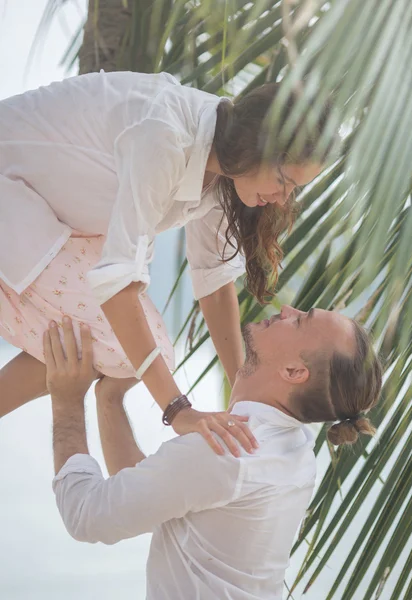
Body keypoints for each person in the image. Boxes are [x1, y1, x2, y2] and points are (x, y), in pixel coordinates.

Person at [0, 71, 328, 454]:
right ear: (257, 146)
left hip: (44, 215)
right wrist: (179, 410)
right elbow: (116, 285)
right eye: (284, 181)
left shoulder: (221, 163)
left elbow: (213, 283)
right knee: (123, 348)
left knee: (129, 351)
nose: (282, 200)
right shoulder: (167, 137)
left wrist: (243, 395)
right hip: (13, 195)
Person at [47, 305, 382, 600]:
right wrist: (110, 400)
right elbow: (152, 498)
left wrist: (66, 399)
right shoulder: (294, 446)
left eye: (299, 322)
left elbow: (86, 516)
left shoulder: (230, 451)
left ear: (294, 372)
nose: (286, 309)